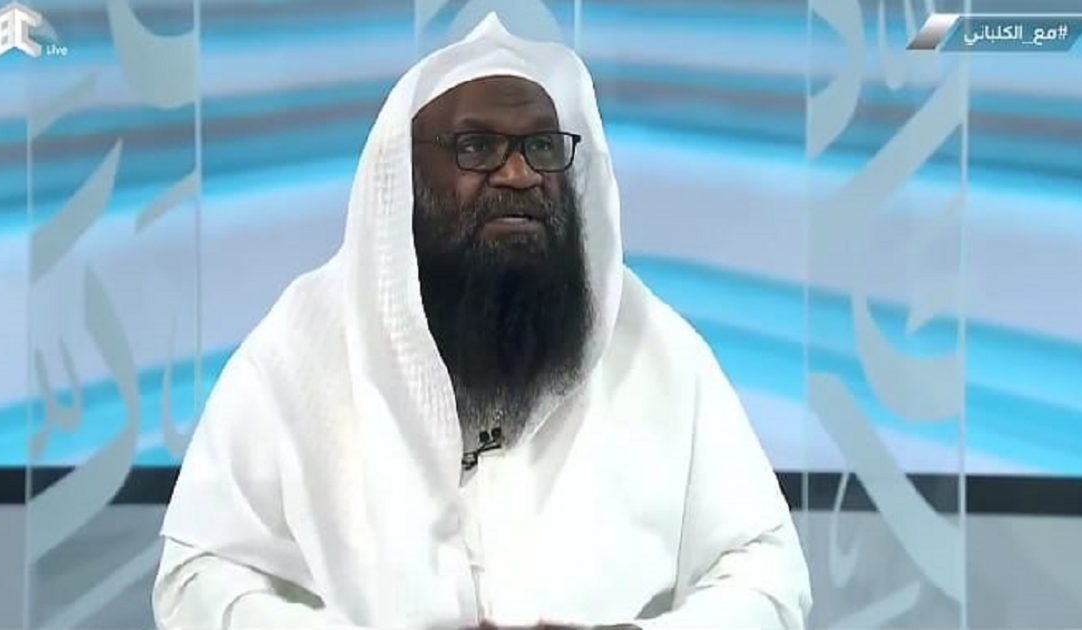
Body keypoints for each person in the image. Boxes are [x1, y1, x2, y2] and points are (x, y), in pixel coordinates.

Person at [153, 13, 811, 630]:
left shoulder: (652, 348)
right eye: (477, 146)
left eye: (541, 146)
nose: (520, 173)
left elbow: (769, 569)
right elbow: (196, 575)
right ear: (405, 175)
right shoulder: (303, 350)